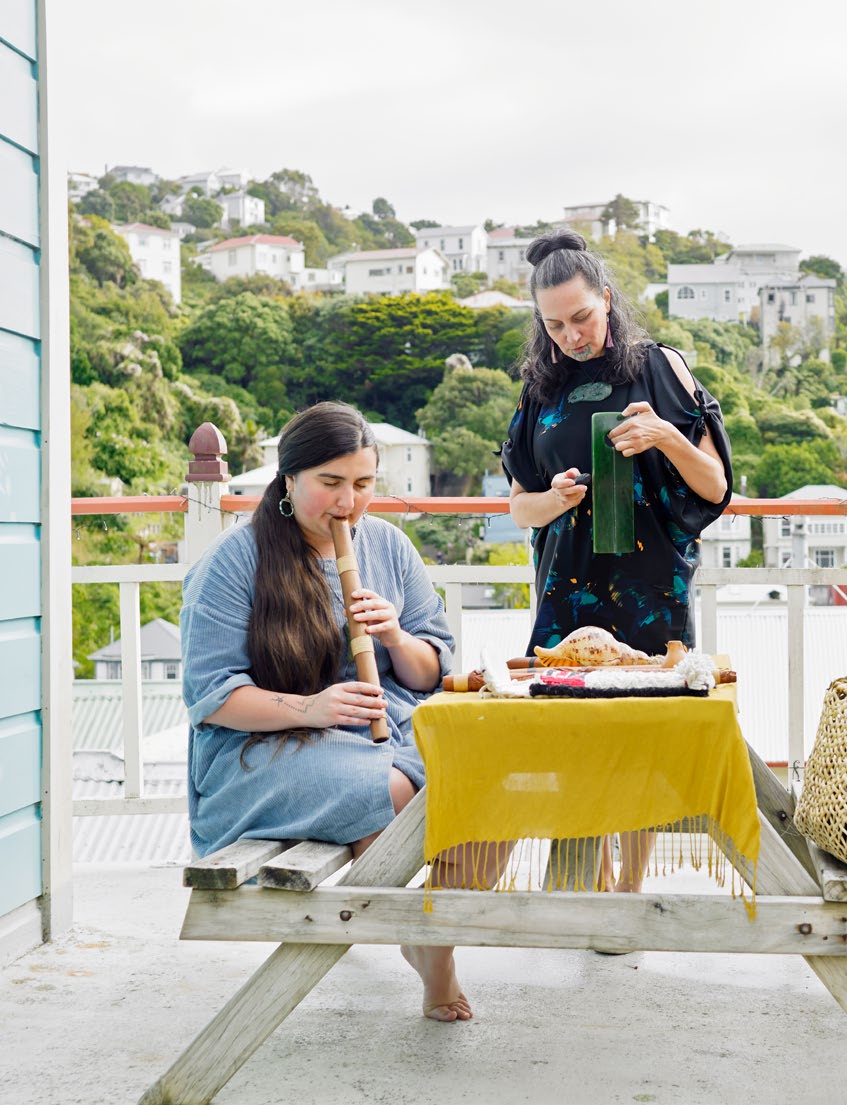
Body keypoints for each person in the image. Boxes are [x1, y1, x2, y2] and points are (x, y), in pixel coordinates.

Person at [182, 400, 494, 1022]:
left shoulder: (389, 546)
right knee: (397, 791)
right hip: (264, 750)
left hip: (385, 733)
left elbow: (431, 672)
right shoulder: (234, 561)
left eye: (362, 484)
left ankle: (429, 936)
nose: (347, 502)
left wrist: (398, 638)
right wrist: (314, 706)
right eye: (329, 484)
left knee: (486, 791)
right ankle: (433, 955)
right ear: (289, 479)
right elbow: (213, 696)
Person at [501, 229, 734, 894]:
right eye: (554, 325)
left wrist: (664, 434)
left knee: (645, 741)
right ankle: (590, 882)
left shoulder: (660, 367)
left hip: (649, 588)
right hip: (568, 596)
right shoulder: (538, 389)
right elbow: (520, 508)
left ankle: (630, 888)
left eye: (582, 317)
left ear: (607, 298)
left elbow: (715, 486)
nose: (571, 336)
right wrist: (555, 498)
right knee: (569, 735)